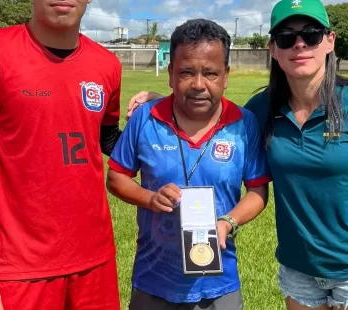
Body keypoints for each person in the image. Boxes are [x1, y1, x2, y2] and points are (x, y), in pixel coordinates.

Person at [126, 1, 348, 309]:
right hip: (298, 269)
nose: (300, 44)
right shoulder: (261, 110)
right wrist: (163, 102)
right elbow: (218, 115)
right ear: (273, 49)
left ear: (330, 41)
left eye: (312, 34)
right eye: (286, 37)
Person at [0, 0, 123, 308]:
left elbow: (109, 142)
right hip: (18, 270)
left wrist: (164, 114)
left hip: (96, 262)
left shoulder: (107, 64)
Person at [106, 19, 270, 310]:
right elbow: (116, 177)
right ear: (170, 74)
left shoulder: (243, 124)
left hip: (220, 283)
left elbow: (258, 192)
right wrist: (150, 198)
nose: (198, 84)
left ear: (226, 75)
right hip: (153, 279)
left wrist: (228, 222)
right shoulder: (146, 118)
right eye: (186, 72)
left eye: (210, 73)